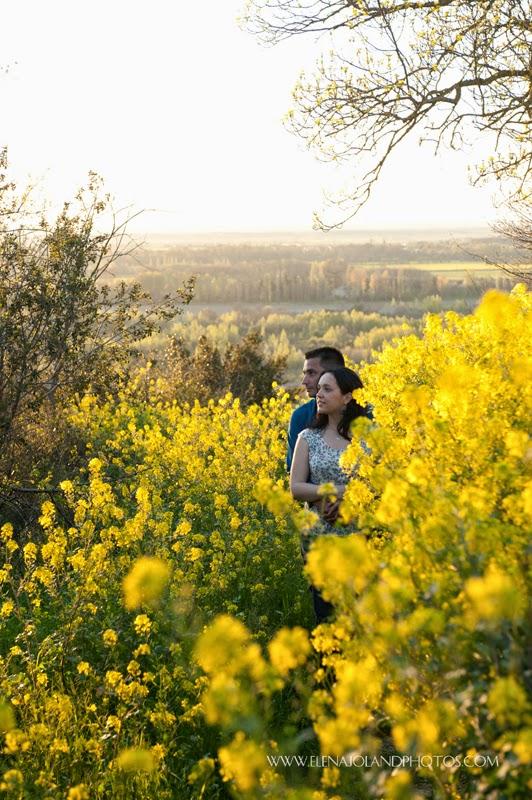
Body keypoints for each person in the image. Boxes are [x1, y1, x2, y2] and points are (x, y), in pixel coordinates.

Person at [289, 367, 368, 624]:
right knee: (327, 617)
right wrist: (338, 491)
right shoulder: (308, 437)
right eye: (319, 388)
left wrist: (350, 500)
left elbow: (378, 485)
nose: (318, 395)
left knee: (361, 618)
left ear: (347, 397)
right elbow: (297, 488)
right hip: (319, 541)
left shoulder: (366, 440)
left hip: (360, 541)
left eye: (327, 389)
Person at [286, 347, 345, 472]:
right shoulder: (301, 416)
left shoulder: (367, 414)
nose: (304, 381)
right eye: (304, 374)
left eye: (311, 373)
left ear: (333, 374)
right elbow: (295, 476)